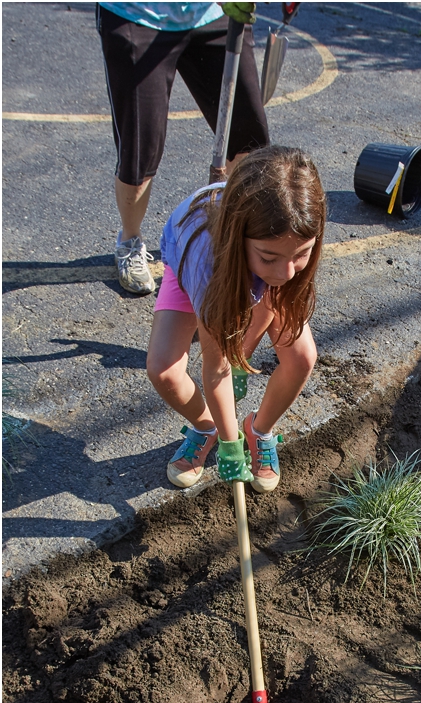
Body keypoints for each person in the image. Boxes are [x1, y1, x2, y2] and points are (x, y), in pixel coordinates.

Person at [146, 145, 326, 493]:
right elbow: (215, 370)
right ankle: (207, 427)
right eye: (270, 256)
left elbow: (272, 283)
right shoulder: (207, 268)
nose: (287, 272)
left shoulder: (283, 257)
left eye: (301, 254)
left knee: (302, 357)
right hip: (206, 270)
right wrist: (230, 446)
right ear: (240, 238)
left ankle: (259, 431)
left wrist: (239, 358)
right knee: (163, 369)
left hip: (244, 271)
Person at [96, 2, 268, 295]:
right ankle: (130, 241)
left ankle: (233, 238)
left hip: (212, 14)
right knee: (141, 151)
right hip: (139, 16)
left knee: (251, 143)